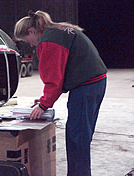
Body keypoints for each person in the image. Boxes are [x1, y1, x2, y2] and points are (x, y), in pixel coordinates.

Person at [14, 10, 107, 176]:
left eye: (27, 40)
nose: (30, 45)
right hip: (95, 82)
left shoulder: (48, 40)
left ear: (31, 32)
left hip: (86, 86)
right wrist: (44, 100)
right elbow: (63, 72)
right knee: (81, 136)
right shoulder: (58, 30)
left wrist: (44, 104)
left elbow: (53, 79)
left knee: (77, 138)